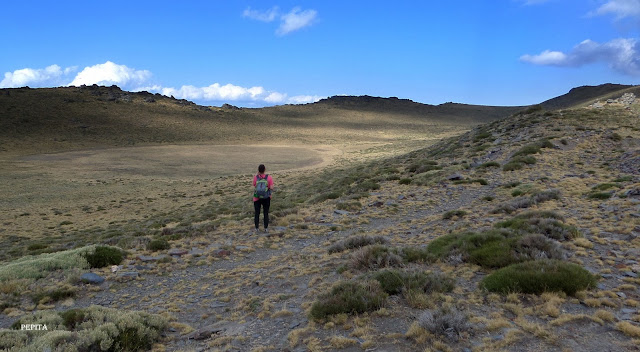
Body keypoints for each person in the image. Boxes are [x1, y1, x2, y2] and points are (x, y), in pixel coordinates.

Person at [252, 164, 273, 233]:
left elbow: (254, 185)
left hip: (256, 198)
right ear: (265, 169)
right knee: (265, 213)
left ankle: (256, 228)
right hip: (266, 197)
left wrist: (257, 174)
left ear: (258, 170)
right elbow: (271, 187)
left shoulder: (256, 177)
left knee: (257, 213)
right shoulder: (269, 177)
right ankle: (266, 228)